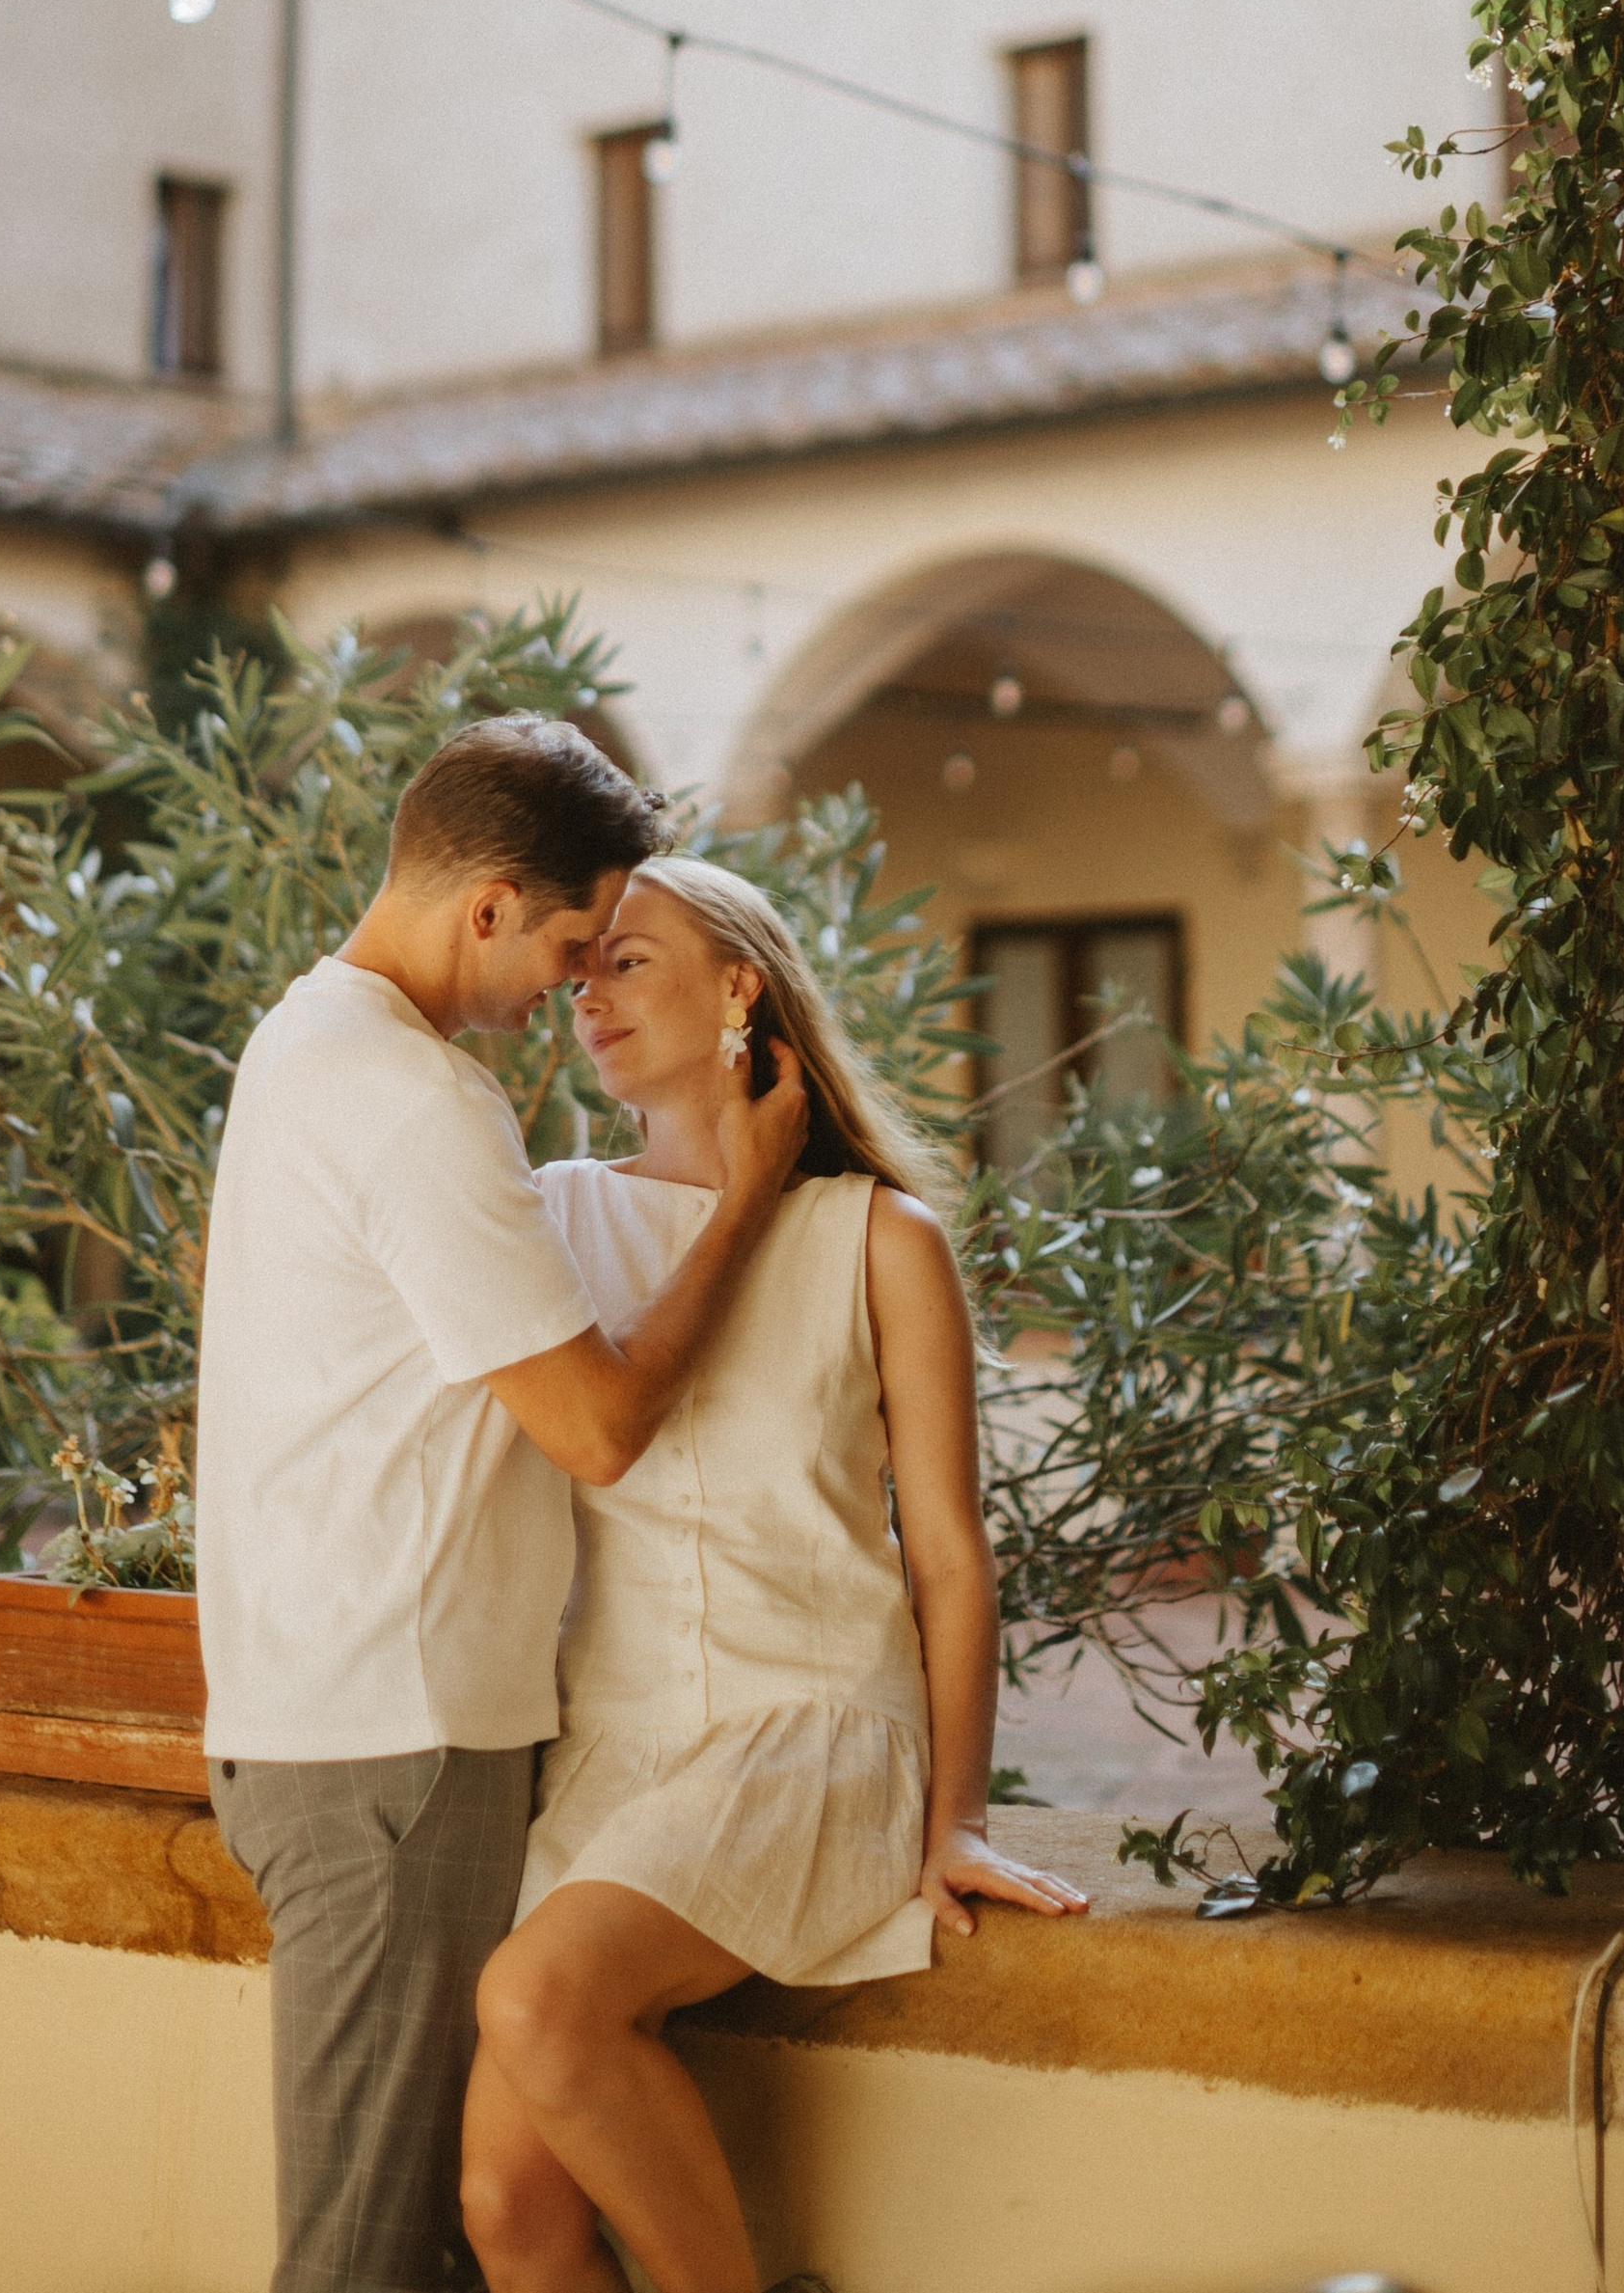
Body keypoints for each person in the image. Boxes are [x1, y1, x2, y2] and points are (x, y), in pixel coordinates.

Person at [196, 722, 808, 2293]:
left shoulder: (299, 1041)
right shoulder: (412, 1098)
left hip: (352, 1724)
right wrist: (744, 1201)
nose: (573, 986)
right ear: (485, 907)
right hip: (392, 1747)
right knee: (364, 2263)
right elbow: (599, 1425)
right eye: (564, 942)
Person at [461, 855, 1088, 2293]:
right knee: (505, 2201)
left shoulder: (878, 1236)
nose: (587, 992)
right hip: (608, 1749)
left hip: (805, 1730)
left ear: (739, 983)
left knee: (542, 1999)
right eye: (583, 967)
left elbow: (947, 1549)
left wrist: (960, 1813)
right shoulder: (552, 1216)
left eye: (629, 959)